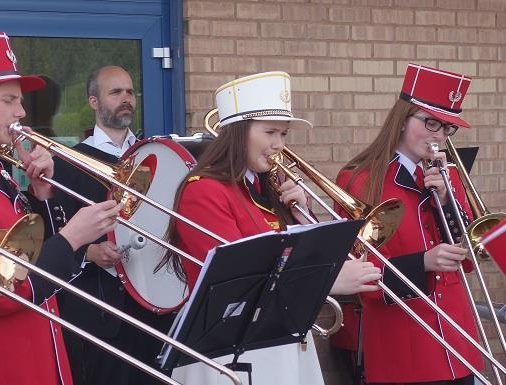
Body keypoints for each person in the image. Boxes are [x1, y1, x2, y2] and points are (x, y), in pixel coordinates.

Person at [0, 32, 122, 385]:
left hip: (36, 352)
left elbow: (30, 257)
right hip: (4, 365)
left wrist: (42, 196)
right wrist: (73, 239)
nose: (22, 111)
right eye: (10, 100)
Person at [163, 71, 382, 385]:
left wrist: (300, 214)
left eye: (284, 134)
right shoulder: (204, 190)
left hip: (276, 343)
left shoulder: (263, 188)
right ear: (237, 133)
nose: (278, 145)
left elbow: (292, 257)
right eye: (270, 133)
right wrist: (327, 281)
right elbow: (241, 284)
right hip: (228, 354)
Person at [335, 63, 483, 384]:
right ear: (402, 120)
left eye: (446, 128)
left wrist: (446, 199)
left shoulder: (449, 176)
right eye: (430, 122)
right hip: (404, 343)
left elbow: (469, 254)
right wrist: (424, 263)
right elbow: (361, 270)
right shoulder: (361, 181)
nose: (438, 135)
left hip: (458, 341)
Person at [52, 65, 174, 385]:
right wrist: (90, 252)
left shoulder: (151, 154)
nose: (126, 99)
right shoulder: (68, 160)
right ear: (93, 102)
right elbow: (54, 233)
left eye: (130, 92)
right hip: (101, 308)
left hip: (153, 302)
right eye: (115, 92)